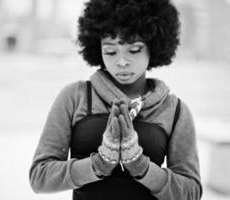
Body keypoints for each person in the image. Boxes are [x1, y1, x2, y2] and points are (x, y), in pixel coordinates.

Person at [29, 0, 202, 199]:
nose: (121, 62)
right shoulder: (75, 97)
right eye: (110, 51)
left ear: (153, 47)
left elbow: (191, 192)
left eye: (134, 50)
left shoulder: (174, 110)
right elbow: (39, 176)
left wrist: (141, 166)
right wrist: (98, 164)